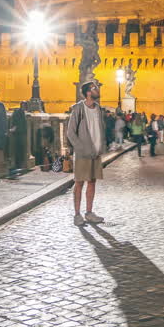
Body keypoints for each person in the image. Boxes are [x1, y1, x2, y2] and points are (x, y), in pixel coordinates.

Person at [64, 80, 108, 227]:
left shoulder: (99, 109)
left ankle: (89, 213)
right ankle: (77, 215)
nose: (98, 90)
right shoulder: (79, 109)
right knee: (79, 183)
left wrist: (101, 146)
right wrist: (81, 148)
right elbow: (70, 132)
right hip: (83, 153)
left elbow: (100, 129)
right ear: (89, 92)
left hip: (96, 152)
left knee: (92, 182)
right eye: (95, 88)